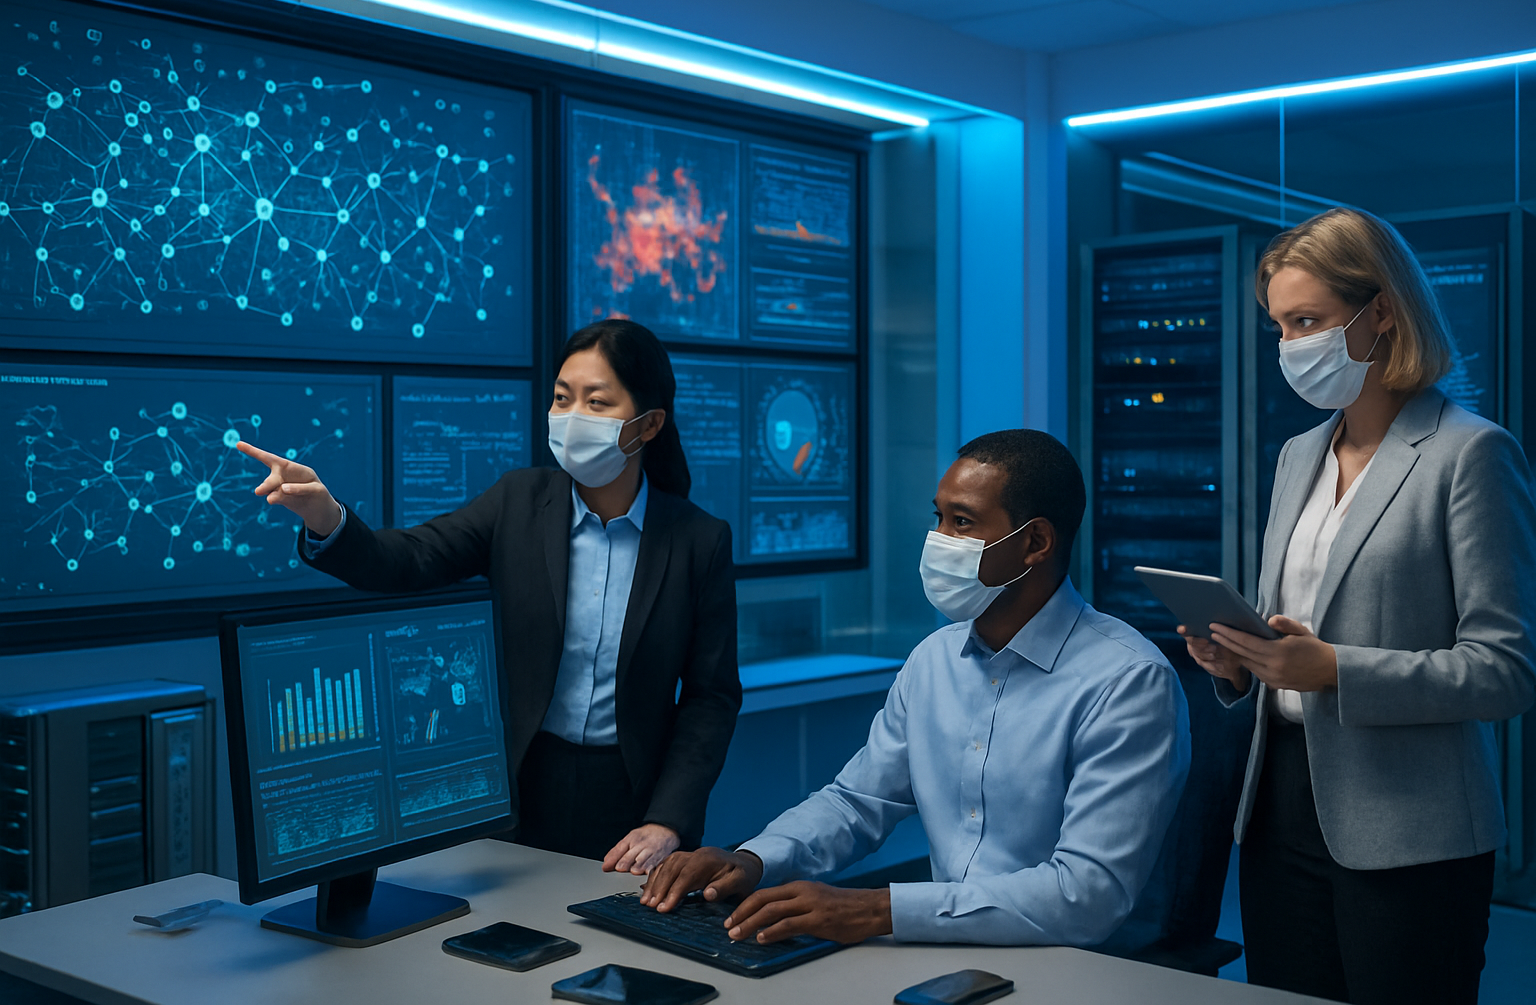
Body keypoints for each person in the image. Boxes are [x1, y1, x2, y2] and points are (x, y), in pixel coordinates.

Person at [641, 430, 1190, 949]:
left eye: (963, 522)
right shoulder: (933, 661)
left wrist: (878, 911)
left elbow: (1087, 894)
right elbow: (857, 801)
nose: (938, 541)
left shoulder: (1127, 681)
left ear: (1036, 543)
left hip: (1073, 970)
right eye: (939, 518)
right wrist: (755, 859)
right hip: (942, 954)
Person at [1182, 207, 1536, 1005]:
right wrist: (1242, 663)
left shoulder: (1470, 453)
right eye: (1278, 326)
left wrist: (1334, 670)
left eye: (1307, 321)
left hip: (1413, 829)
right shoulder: (1296, 456)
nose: (1289, 348)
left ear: (1382, 311)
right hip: (1278, 811)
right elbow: (1291, 631)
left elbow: (1506, 672)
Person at [238, 319, 741, 874]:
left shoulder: (698, 541)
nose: (573, 419)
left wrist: (668, 821)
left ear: (649, 425)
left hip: (635, 801)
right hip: (521, 783)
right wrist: (325, 515)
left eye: (597, 403)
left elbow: (709, 698)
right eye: (561, 398)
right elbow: (408, 560)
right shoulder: (517, 503)